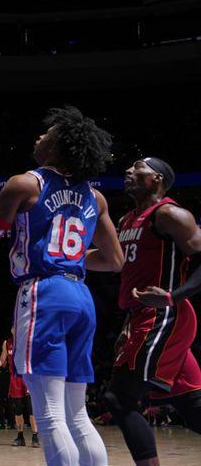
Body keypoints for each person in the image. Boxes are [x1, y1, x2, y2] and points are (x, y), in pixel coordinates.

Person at [0, 105, 124, 466]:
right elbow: (114, 260)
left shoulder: (25, 184)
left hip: (44, 292)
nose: (38, 137)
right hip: (81, 295)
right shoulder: (96, 198)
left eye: (46, 134)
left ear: (59, 145)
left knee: (48, 415)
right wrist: (72, 259)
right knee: (78, 415)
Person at [87, 157, 201, 466]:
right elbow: (109, 259)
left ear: (157, 180)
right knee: (192, 407)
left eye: (138, 167)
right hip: (142, 316)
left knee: (118, 399)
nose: (128, 170)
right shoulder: (126, 222)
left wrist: (172, 297)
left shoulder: (169, 215)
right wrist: (66, 257)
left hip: (165, 317)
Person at [0, 329, 39, 447]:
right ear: (11, 329)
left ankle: (35, 437)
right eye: (14, 327)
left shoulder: (29, 341)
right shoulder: (7, 343)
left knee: (31, 409)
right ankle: (20, 437)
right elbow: (2, 359)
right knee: (18, 410)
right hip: (15, 379)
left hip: (28, 377)